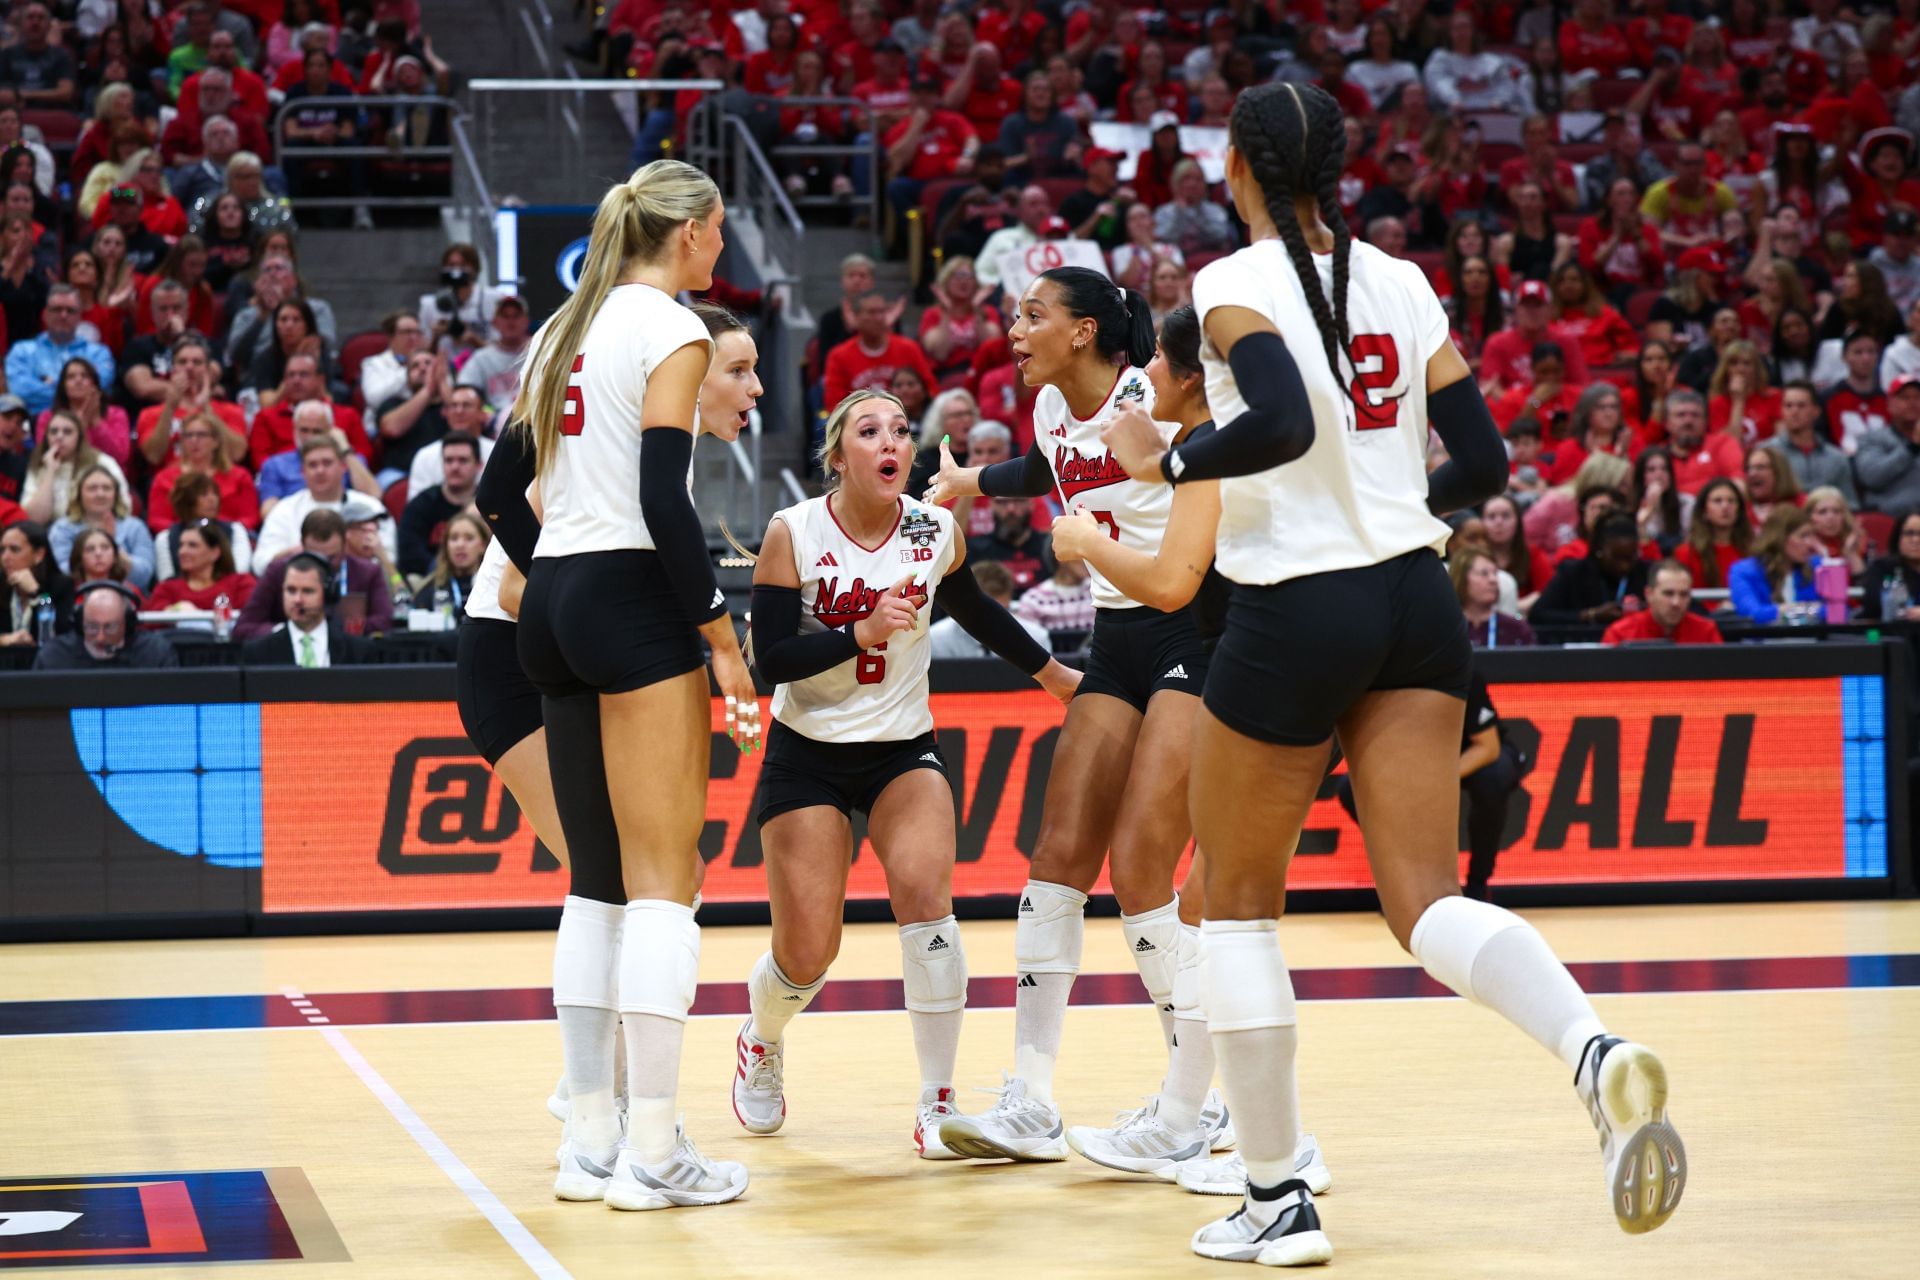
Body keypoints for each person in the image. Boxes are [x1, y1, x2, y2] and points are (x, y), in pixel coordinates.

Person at [1092, 84, 1681, 1262]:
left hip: (1293, 607)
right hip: (1415, 600)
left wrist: (1168, 455)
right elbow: (1485, 457)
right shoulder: (1404, 280)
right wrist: (1393, 508)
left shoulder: (1229, 284)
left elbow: (1279, 428)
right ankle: (1593, 1050)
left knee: (1242, 912)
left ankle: (1277, 1198)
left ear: (1242, 171)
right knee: (1424, 901)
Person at [920, 267, 1239, 1172]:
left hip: (1191, 631)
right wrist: (973, 480)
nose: (1015, 330)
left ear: (1087, 330)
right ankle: (1030, 1099)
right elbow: (1056, 466)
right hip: (1116, 640)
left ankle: (1196, 1098)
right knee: (1059, 851)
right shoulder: (1053, 411)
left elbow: (1216, 467)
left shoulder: (1163, 396)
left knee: (1144, 860)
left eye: (1033, 316)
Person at [732, 387, 1076, 1153]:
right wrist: (857, 630)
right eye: (869, 430)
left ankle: (937, 1102)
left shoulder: (932, 528)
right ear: (838, 455)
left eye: (899, 430)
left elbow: (975, 609)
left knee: (927, 899)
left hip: (901, 745)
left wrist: (1051, 674)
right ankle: (761, 1039)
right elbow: (770, 660)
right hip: (808, 750)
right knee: (807, 952)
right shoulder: (795, 531)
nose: (891, 442)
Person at [510, 160, 755, 1212]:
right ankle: (655, 1147)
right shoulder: (670, 325)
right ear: (692, 232)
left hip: (551, 596)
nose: (725, 250)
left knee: (595, 884)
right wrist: (721, 635)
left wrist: (570, 568)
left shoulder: (561, 326)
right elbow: (663, 494)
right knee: (667, 885)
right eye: (721, 233)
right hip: (625, 594)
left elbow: (505, 487)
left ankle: (591, 1144)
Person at [235, 508, 393, 639]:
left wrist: (329, 630)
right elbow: (244, 628)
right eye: (315, 557)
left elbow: (384, 622)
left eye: (331, 557)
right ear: (302, 546)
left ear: (345, 545)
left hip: (347, 658)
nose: (323, 565)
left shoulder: (368, 572)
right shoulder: (278, 571)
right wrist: (288, 632)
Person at [256, 436, 395, 564]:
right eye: (312, 465)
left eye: (327, 463)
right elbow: (261, 563)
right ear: (302, 471)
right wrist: (303, 552)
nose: (320, 470)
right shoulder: (284, 509)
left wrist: (366, 553)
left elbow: (392, 558)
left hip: (361, 586)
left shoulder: (371, 507)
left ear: (343, 466)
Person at [6, 286, 116, 418]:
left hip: (87, 424)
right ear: (45, 314)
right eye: (57, 310)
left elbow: (99, 387)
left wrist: (51, 383)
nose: (63, 315)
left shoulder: (98, 353)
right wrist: (74, 392)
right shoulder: (22, 351)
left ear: (79, 316)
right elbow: (21, 390)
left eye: (70, 311)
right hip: (32, 422)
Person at [241, 552, 368, 665]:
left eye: (307, 591)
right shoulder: (257, 653)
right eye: (291, 590)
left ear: (328, 594)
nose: (297, 600)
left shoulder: (358, 651)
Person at [822, 291, 939, 410]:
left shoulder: (909, 348)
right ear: (856, 317)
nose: (879, 318)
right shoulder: (838, 356)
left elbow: (932, 390)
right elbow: (833, 405)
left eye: (882, 311)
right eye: (871, 312)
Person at [147, 410, 261, 532]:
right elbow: (157, 520)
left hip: (229, 538)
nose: (194, 440)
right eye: (188, 435)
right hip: (180, 540)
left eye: (201, 435)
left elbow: (250, 518)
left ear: (216, 441)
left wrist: (222, 532)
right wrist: (187, 532)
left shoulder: (240, 476)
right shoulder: (164, 478)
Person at [49, 463, 154, 590]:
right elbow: (61, 572)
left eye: (107, 488)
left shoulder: (135, 527)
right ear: (79, 494)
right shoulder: (62, 529)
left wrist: (113, 546)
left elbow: (144, 576)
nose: (100, 494)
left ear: (115, 494)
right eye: (92, 488)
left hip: (126, 597)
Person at [20, 411, 129, 527]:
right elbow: (34, 519)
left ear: (79, 437)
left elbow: (125, 507)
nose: (59, 436)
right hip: (51, 534)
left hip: (98, 530)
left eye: (67, 432)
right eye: (53, 431)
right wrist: (50, 471)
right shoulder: (39, 465)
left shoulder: (102, 462)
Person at [34, 581, 178, 669]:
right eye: (92, 627)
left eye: (110, 627)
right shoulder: (54, 656)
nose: (101, 638)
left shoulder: (155, 653)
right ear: (79, 622)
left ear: (127, 623)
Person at [1763, 381, 1861, 507]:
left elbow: (1850, 504)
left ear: (1816, 411)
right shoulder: (1767, 454)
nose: (1794, 411)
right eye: (1788, 406)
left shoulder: (1836, 458)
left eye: (1801, 406)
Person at [928, 561, 1052, 658]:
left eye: (1002, 611)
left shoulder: (1036, 637)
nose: (993, 618)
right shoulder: (936, 639)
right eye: (983, 612)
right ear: (965, 603)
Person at [397, 432, 480, 576]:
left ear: (479, 465)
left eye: (463, 460)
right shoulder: (421, 504)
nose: (455, 466)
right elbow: (409, 554)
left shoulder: (490, 504)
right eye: (449, 460)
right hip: (431, 578)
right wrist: (447, 570)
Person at [1728, 505, 1825, 622]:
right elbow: (1751, 614)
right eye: (1803, 536)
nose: (1810, 544)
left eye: (1811, 536)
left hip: (1812, 638)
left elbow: (1839, 611)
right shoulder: (1744, 571)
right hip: (1764, 638)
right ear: (1780, 538)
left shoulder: (1817, 567)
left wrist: (1782, 611)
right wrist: (1805, 609)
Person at [1602, 559, 1725, 644]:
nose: (1676, 602)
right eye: (1668, 593)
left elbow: (1723, 679)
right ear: (1649, 594)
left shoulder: (1706, 631)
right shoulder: (1620, 634)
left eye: (1684, 594)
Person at [146, 519, 255, 611]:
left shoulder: (241, 584)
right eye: (181, 545)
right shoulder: (167, 588)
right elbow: (151, 624)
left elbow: (249, 620)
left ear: (215, 553)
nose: (182, 552)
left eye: (192, 545)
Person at [1856, 374, 1920, 512]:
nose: (1912, 403)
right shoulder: (1872, 439)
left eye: (1917, 397)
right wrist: (1911, 447)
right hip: (1890, 518)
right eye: (1905, 397)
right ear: (1889, 404)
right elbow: (1872, 477)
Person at [1676, 477, 1753, 591]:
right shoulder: (1687, 553)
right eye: (1717, 501)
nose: (1725, 506)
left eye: (1731, 501)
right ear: (1704, 511)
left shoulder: (1752, 551)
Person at [457, 295, 533, 409]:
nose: (511, 321)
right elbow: (463, 388)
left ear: (527, 321)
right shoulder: (482, 358)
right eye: (505, 316)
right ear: (494, 322)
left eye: (516, 316)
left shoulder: (540, 352)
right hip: (493, 420)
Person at [1454, 548, 1536, 648]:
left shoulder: (1517, 629)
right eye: (1484, 573)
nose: (1494, 580)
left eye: (1495, 573)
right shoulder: (1448, 629)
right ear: (1462, 579)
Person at [359, 307, 426, 410]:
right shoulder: (374, 364)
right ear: (391, 336)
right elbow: (373, 399)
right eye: (407, 332)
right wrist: (409, 370)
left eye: (417, 332)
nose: (413, 337)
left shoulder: (428, 361)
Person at [1859, 510, 1920, 620]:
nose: (1915, 540)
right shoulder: (1882, 568)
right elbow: (1874, 605)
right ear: (1898, 538)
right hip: (1891, 633)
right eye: (1909, 533)